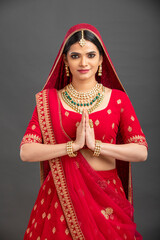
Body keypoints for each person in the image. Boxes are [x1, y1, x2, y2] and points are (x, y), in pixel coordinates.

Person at [20, 23, 148, 240]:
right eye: (75, 55)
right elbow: (26, 152)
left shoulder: (118, 100)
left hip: (106, 194)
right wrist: (73, 146)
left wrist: (96, 146)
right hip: (62, 198)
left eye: (90, 54)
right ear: (65, 61)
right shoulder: (50, 101)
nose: (83, 62)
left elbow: (141, 152)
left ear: (100, 59)